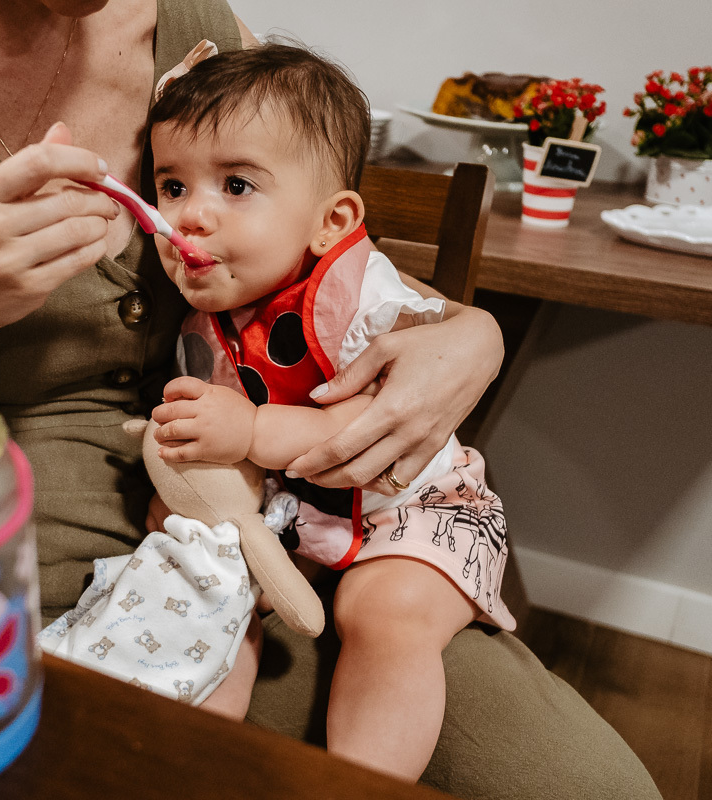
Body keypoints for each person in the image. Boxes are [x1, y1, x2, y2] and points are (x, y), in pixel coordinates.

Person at [0, 0, 661, 797]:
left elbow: (311, 248)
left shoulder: (194, 27)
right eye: (170, 185)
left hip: (289, 527)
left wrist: (472, 333)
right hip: (15, 542)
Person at [141, 42, 513, 780]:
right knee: (212, 590)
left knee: (383, 615)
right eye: (171, 186)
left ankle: (360, 783)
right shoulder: (201, 329)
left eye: (236, 184)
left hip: (416, 505)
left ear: (330, 220)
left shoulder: (365, 301)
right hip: (297, 517)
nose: (191, 217)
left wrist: (247, 430)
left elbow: (371, 429)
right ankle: (187, 765)